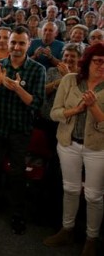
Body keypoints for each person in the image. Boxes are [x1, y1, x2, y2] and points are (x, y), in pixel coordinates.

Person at [0, 26, 46, 235]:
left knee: (17, 173)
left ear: (29, 44)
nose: (16, 46)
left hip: (20, 130)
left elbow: (36, 103)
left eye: (21, 43)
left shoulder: (37, 70)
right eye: (13, 42)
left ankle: (17, 214)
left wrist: (16, 87)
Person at [44, 44, 104, 256]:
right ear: (87, 61)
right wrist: (76, 110)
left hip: (97, 148)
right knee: (70, 189)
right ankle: (67, 229)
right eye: (98, 61)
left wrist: (94, 108)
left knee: (93, 195)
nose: (102, 66)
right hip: (69, 143)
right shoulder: (70, 80)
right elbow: (54, 113)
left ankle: (91, 238)